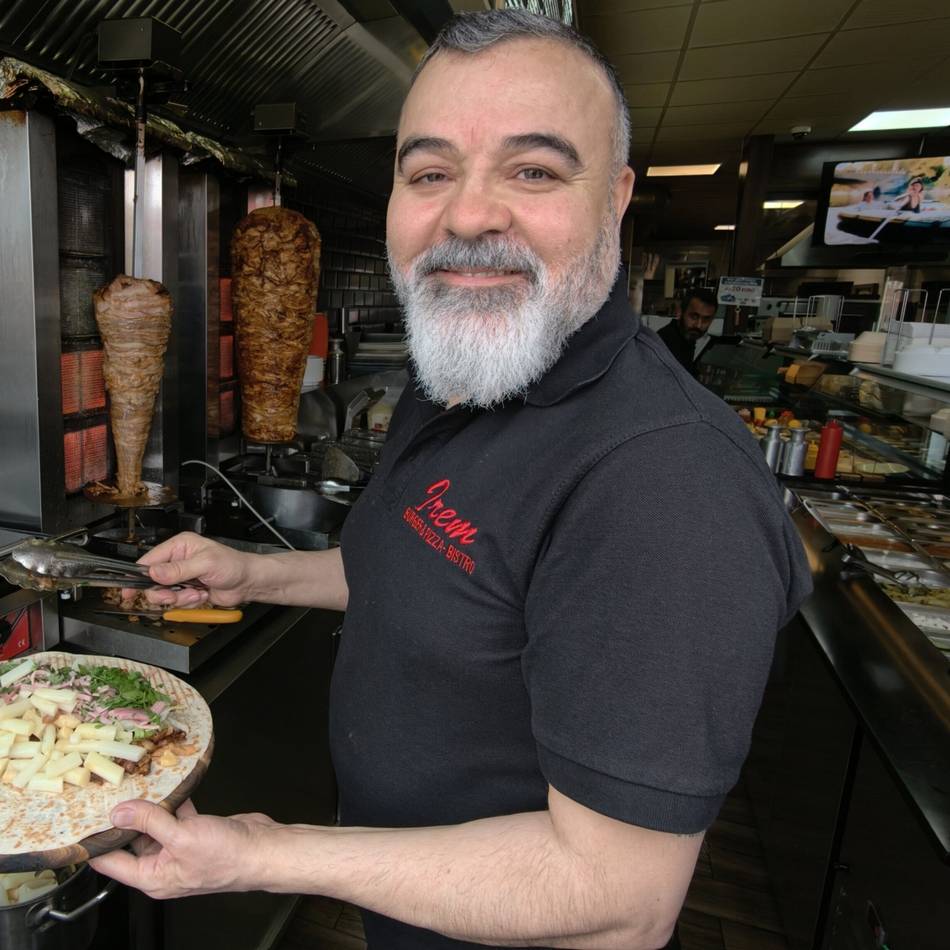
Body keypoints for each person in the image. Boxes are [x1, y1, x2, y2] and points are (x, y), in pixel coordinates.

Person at [90, 11, 811, 950]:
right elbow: (432, 570)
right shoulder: (469, 372)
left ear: (619, 196)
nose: (468, 216)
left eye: (534, 170)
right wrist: (254, 572)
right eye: (430, 173)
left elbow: (619, 898)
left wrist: (266, 855)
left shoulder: (666, 486)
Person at [656, 288, 719, 374]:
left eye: (706, 319)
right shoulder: (665, 343)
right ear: (680, 312)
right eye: (694, 317)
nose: (698, 325)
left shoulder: (686, 337)